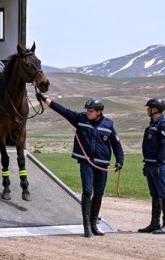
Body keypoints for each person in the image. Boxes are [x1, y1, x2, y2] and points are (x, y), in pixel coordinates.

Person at [36, 93, 124, 237]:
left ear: (99, 111)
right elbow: (63, 110)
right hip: (86, 162)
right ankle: (87, 226)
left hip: (102, 164)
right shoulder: (80, 119)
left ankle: (94, 224)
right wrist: (46, 100)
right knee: (88, 191)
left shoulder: (108, 124)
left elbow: (117, 144)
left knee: (99, 193)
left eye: (91, 111)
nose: (88, 112)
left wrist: (120, 160)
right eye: (87, 110)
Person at [138, 97, 165, 235]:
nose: (147, 110)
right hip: (150, 164)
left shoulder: (163, 125)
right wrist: (147, 163)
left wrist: (159, 163)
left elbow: (164, 146)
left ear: (155, 109)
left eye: (149, 108)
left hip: (160, 165)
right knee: (155, 194)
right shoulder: (152, 125)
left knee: (163, 194)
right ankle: (154, 223)